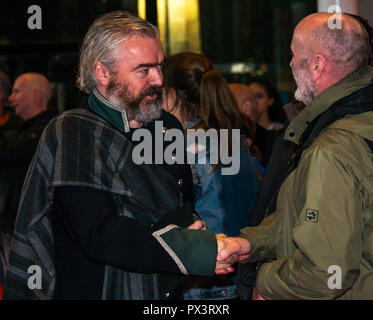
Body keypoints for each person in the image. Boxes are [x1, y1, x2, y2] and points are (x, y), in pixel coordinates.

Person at [3, 11, 239, 300]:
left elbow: (178, 200)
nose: (158, 79)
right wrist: (191, 247)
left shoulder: (167, 126)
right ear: (102, 72)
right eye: (144, 70)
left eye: (160, 67)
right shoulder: (74, 132)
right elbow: (99, 232)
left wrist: (191, 226)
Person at [218, 12, 373, 299]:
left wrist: (265, 282)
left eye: (293, 54)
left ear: (316, 64)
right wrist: (252, 243)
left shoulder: (333, 148)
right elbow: (324, 218)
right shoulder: (355, 119)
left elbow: (325, 274)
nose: (289, 64)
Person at [162, 52, 259, 300]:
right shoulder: (236, 140)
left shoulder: (183, 146)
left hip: (204, 280)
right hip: (242, 271)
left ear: (171, 95)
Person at [248, 79, 287, 167]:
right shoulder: (245, 131)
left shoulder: (282, 130)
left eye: (259, 96)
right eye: (250, 97)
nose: (254, 101)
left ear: (270, 101)